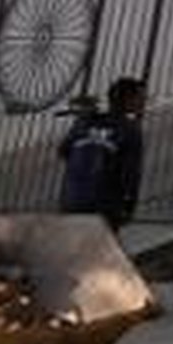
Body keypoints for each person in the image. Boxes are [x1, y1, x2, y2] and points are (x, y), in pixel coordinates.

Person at [56, 78, 147, 230]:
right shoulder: (130, 130)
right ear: (128, 100)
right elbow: (131, 174)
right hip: (104, 207)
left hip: (71, 200)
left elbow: (63, 151)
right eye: (140, 98)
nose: (143, 103)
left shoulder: (84, 121)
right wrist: (128, 208)